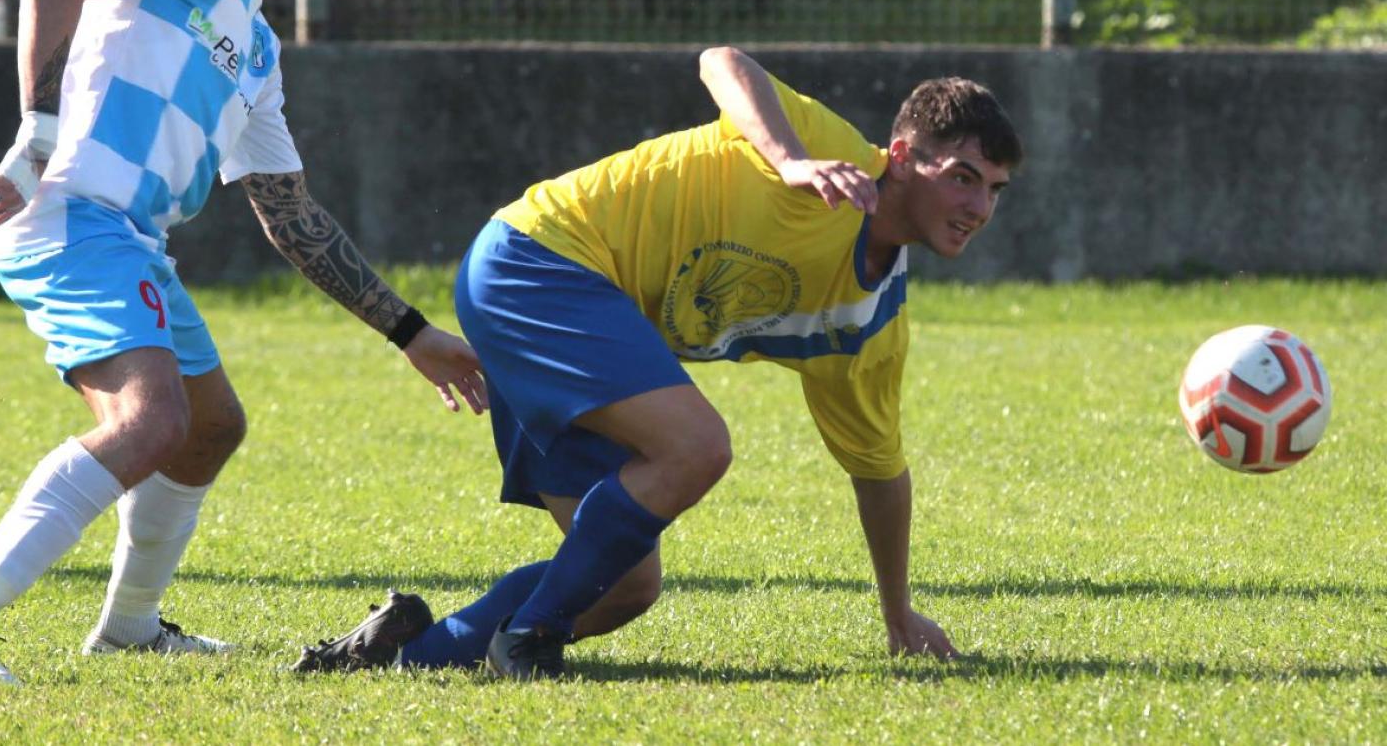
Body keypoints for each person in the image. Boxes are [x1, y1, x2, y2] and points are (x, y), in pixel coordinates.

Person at [0, 0, 486, 687]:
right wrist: (35, 141)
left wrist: (412, 333)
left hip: (133, 242)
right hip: (70, 216)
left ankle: (130, 627)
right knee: (151, 419)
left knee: (210, 427)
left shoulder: (255, 44)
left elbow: (292, 216)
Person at [294, 46, 1021, 679]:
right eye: (962, 176)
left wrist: (898, 615)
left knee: (621, 586)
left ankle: (403, 650)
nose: (979, 205)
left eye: (993, 188)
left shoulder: (869, 322)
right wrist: (788, 158)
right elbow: (722, 60)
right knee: (697, 445)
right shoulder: (829, 157)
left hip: (582, 319)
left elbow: (879, 471)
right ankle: (528, 637)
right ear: (901, 156)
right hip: (538, 259)